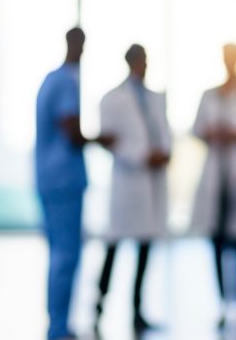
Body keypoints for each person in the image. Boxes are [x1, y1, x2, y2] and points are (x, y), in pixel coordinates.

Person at [35, 27, 113, 340]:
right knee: (66, 255)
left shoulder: (51, 80)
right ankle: (58, 329)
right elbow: (71, 130)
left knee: (59, 253)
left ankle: (58, 325)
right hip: (63, 182)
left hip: (50, 179)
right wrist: (101, 139)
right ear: (77, 45)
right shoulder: (66, 82)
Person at [95, 44, 171, 335]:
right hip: (128, 183)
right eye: (141, 61)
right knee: (114, 246)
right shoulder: (112, 100)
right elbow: (110, 141)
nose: (144, 66)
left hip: (150, 184)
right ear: (131, 63)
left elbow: (164, 133)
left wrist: (164, 153)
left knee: (144, 248)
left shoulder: (154, 98)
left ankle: (137, 310)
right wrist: (142, 155)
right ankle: (98, 307)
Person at [190, 44, 236, 335]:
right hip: (215, 176)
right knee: (218, 244)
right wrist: (212, 132)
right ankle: (224, 305)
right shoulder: (210, 94)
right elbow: (197, 129)